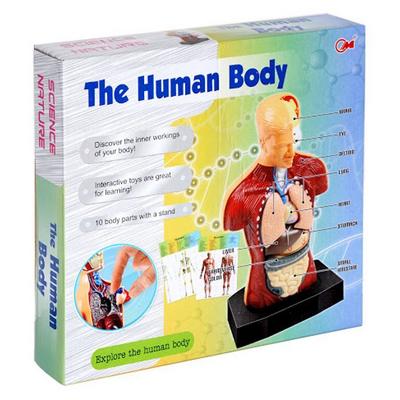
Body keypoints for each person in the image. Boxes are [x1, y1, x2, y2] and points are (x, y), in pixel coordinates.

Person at [223, 93, 328, 309]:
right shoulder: (242, 196)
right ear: (263, 143)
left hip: (306, 274)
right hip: (265, 293)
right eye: (281, 146)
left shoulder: (312, 169)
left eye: (292, 142)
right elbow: (231, 224)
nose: (290, 152)